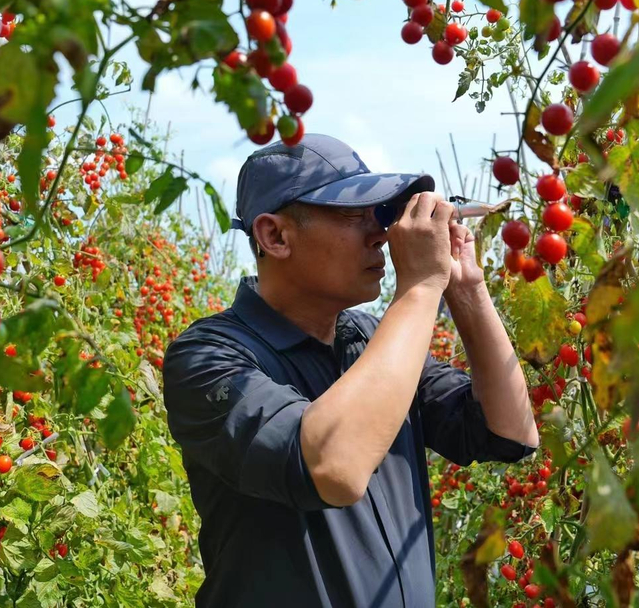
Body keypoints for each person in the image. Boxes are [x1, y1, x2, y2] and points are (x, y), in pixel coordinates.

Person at [162, 134, 539, 608]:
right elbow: (333, 468)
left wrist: (464, 290)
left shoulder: (369, 340)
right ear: (274, 236)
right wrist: (421, 286)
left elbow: (510, 431)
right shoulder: (210, 357)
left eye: (382, 214)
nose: (380, 233)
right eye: (354, 215)